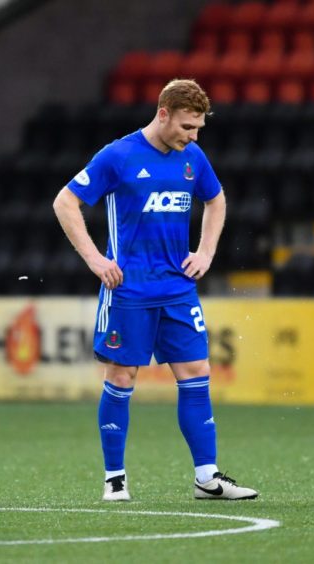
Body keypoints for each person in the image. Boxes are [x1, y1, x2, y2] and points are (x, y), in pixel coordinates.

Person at [52, 79, 258, 501]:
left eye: (198, 128)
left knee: (196, 374)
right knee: (122, 376)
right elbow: (65, 202)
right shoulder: (119, 155)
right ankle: (115, 480)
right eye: (186, 127)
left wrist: (205, 251)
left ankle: (208, 478)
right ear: (163, 114)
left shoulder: (193, 157)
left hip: (178, 289)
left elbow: (216, 201)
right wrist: (95, 259)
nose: (193, 136)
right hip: (128, 290)